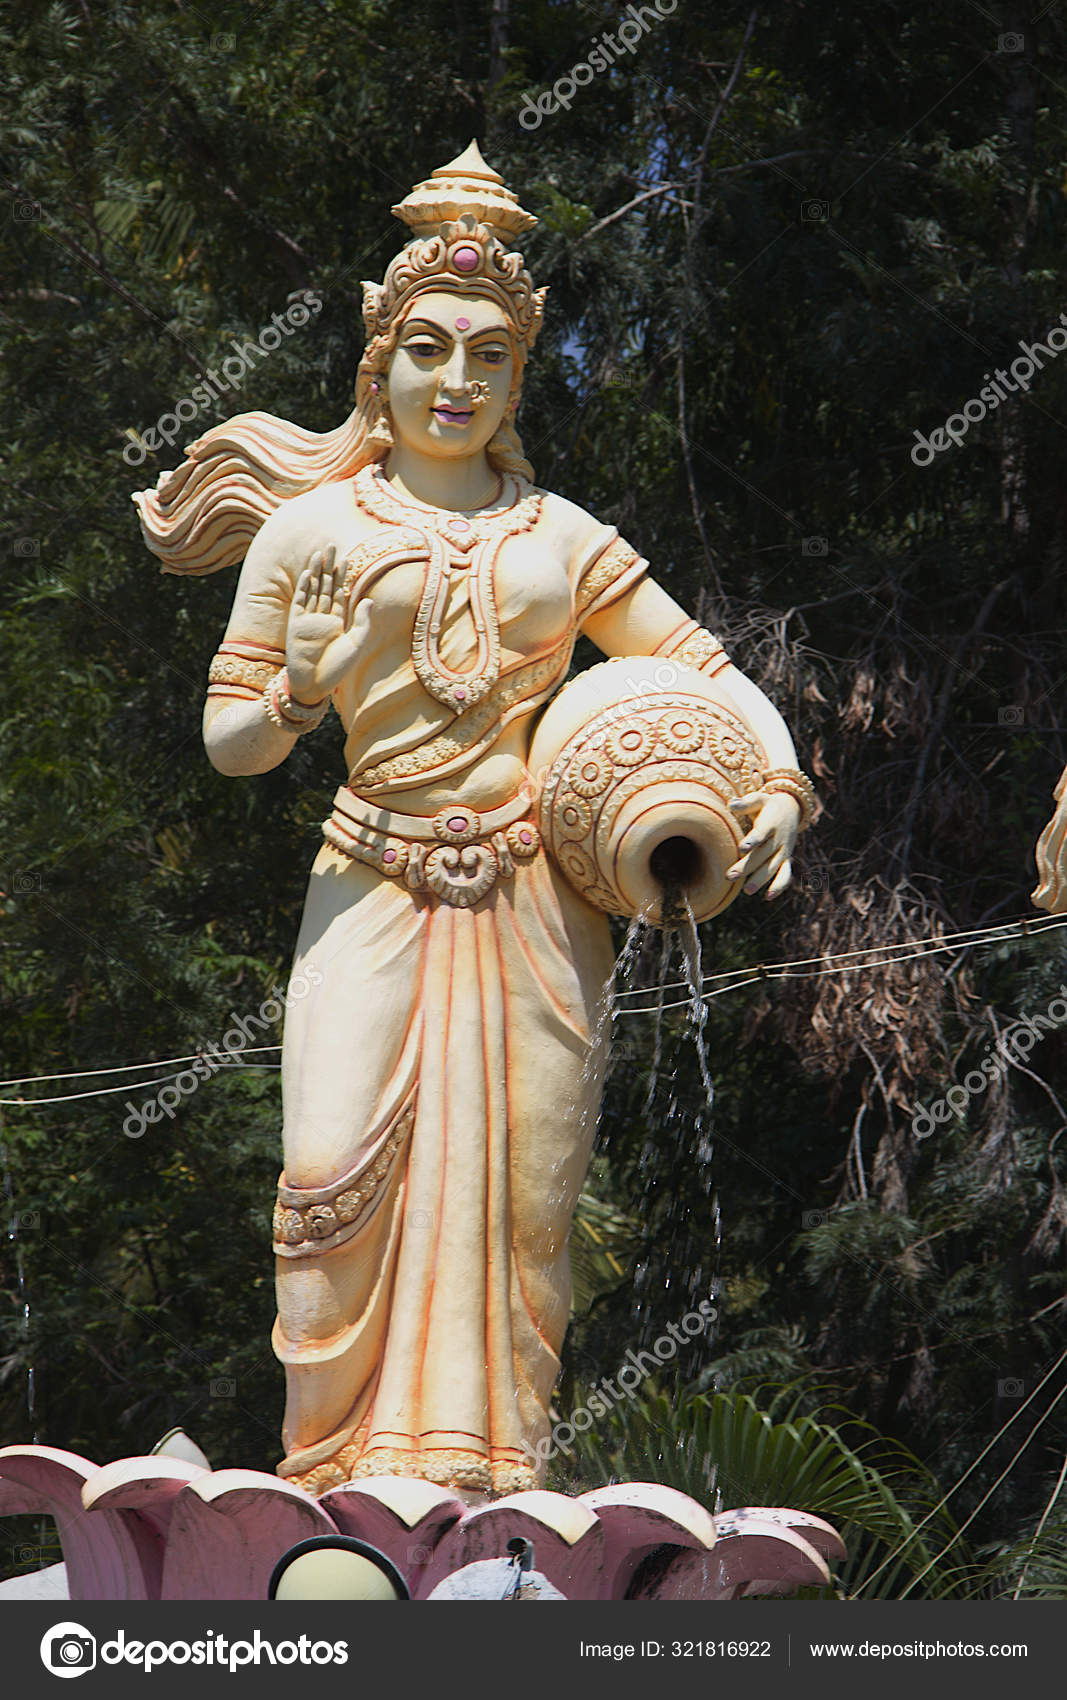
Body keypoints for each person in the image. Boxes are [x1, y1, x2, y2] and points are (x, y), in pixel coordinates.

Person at [134, 144, 814, 1498]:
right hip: (370, 881)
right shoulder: (310, 534)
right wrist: (303, 691)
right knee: (325, 1182)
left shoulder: (560, 533)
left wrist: (782, 780)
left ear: (518, 379)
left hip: (533, 899)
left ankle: (492, 1481)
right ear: (376, 365)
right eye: (428, 349)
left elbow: (704, 666)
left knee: (526, 1205)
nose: (456, 380)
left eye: (489, 357)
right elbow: (228, 747)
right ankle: (326, 1475)